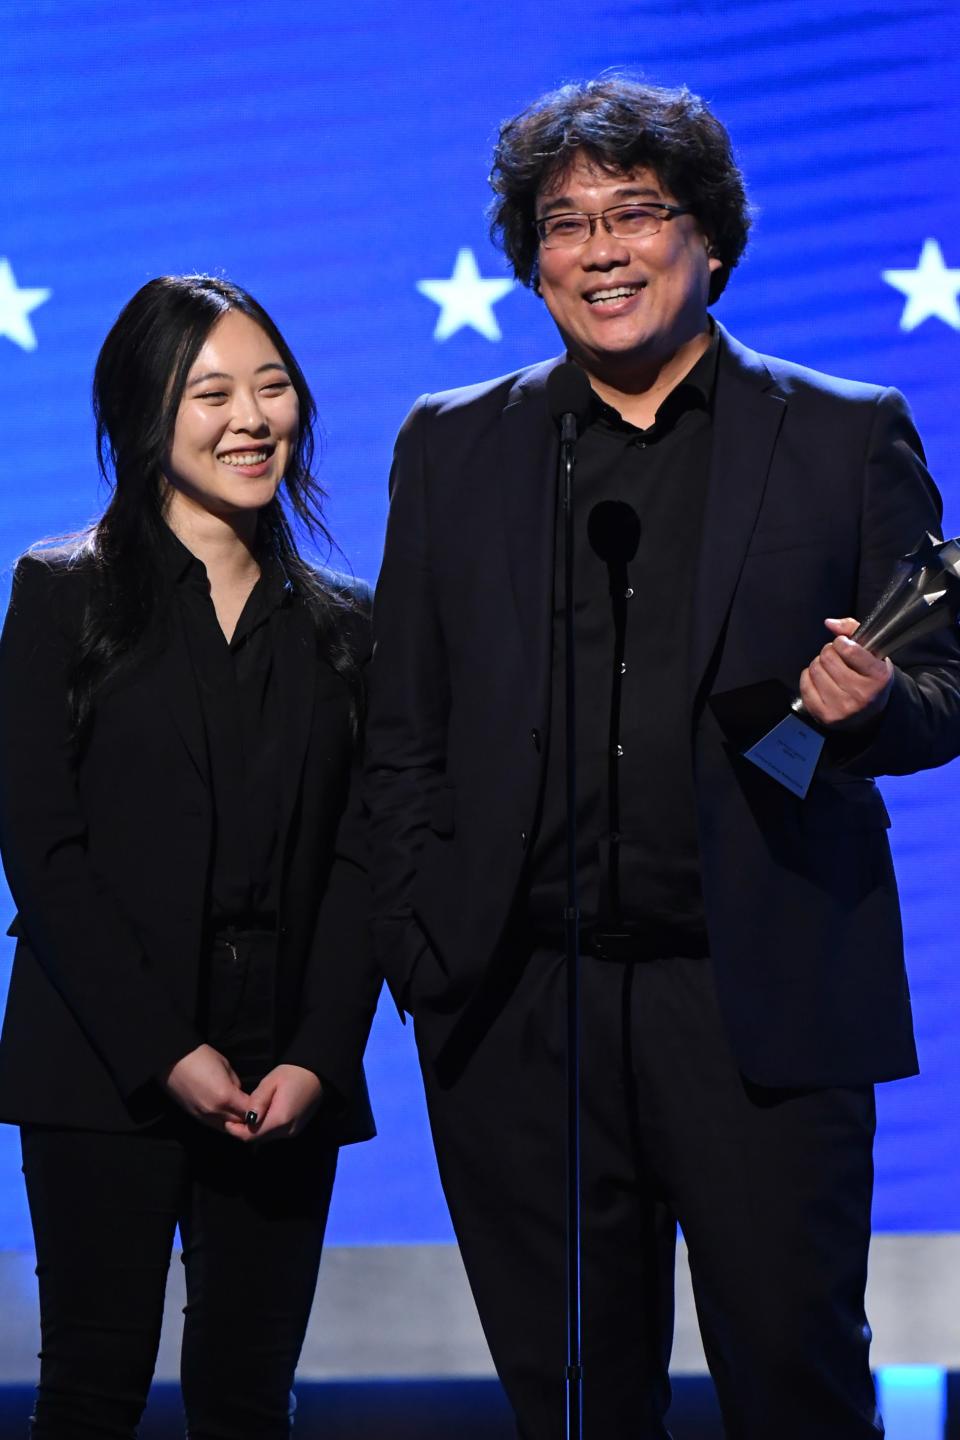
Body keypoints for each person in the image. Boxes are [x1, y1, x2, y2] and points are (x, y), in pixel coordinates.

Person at [364, 77, 960, 1440]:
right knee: (570, 1401)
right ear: (532, 260)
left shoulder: (841, 432)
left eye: (637, 212)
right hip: (521, 1009)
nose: (602, 249)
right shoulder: (453, 444)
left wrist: (870, 706)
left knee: (794, 1382)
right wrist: (424, 950)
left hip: (755, 1000)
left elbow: (943, 686)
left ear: (712, 242)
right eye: (565, 223)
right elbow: (404, 728)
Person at [0, 274, 380, 1439]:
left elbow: (366, 862)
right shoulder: (60, 597)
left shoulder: (345, 628)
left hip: (283, 1084)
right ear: (142, 413)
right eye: (210, 391)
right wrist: (168, 1051)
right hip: (104, 1066)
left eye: (272, 387)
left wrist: (319, 1057)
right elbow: (42, 849)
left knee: (248, 1405)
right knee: (89, 1396)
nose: (251, 419)